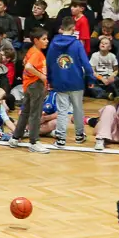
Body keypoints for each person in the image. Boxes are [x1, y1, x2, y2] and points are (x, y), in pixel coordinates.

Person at [46, 14, 92, 147]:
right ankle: (79, 135)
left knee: (62, 110)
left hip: (59, 81)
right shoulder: (77, 44)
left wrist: (50, 80)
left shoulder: (53, 43)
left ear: (62, 27)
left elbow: (49, 63)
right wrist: (90, 78)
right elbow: (85, 63)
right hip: (76, 81)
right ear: (73, 28)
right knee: (78, 109)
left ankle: (60, 138)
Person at [9, 29, 51, 153]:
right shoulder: (36, 53)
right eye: (44, 39)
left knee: (25, 112)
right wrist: (42, 76)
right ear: (36, 40)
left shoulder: (31, 51)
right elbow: (28, 67)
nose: (47, 41)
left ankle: (15, 138)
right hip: (35, 85)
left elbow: (25, 65)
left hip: (29, 85)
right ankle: (34, 142)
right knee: (35, 114)